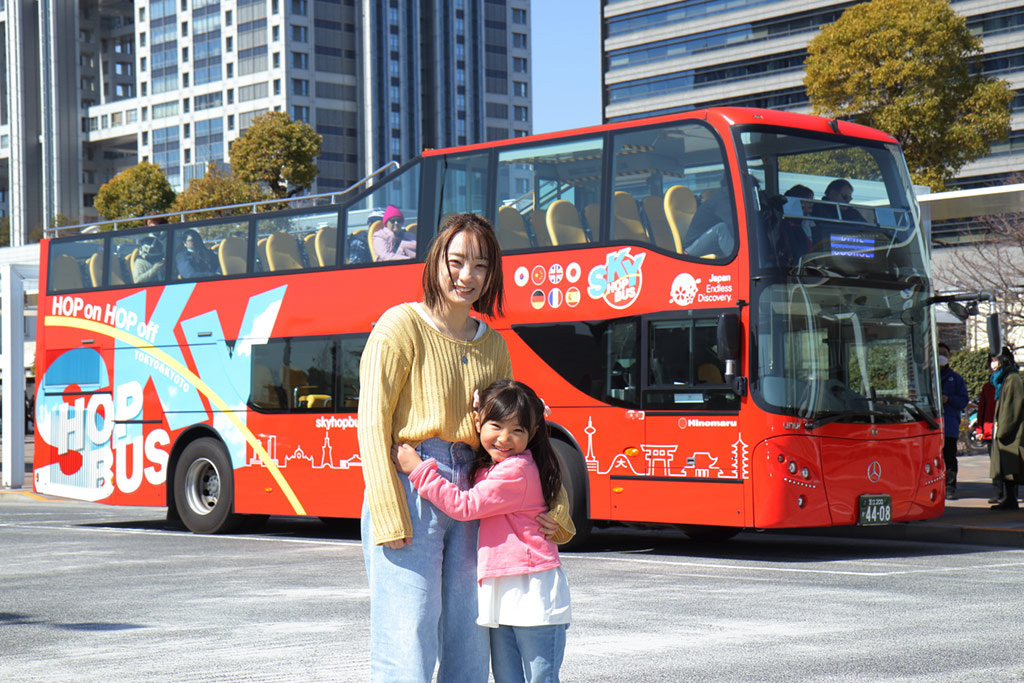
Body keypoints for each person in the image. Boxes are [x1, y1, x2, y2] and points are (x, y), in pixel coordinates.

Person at [357, 213, 573, 682]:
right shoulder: (399, 326)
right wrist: (389, 508)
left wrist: (558, 505)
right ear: (435, 261)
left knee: (471, 636)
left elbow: (521, 436)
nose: (467, 276)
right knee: (407, 631)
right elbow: (372, 423)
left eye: (480, 265)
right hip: (411, 485)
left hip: (476, 492)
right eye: (456, 262)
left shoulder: (493, 344)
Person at [396, 379, 572, 683]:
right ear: (478, 422)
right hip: (504, 592)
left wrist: (418, 469)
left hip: (533, 592)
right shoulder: (488, 469)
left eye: (517, 430)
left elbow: (464, 506)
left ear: (531, 435)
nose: (504, 438)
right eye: (496, 425)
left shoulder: (515, 470)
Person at [989, 347, 1024, 510]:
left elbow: (1012, 407)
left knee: (1011, 466)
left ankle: (1010, 499)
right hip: (1005, 430)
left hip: (1011, 432)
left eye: (996, 359)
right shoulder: (1003, 379)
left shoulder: (1012, 379)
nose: (993, 363)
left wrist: (1003, 430)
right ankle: (1008, 498)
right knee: (1006, 467)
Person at [937, 343, 969, 499]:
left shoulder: (955, 378)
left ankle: (950, 486)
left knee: (949, 456)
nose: (941, 356)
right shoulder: (926, 377)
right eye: (938, 353)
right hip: (930, 425)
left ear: (949, 356)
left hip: (949, 425)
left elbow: (963, 400)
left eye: (944, 353)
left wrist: (948, 399)